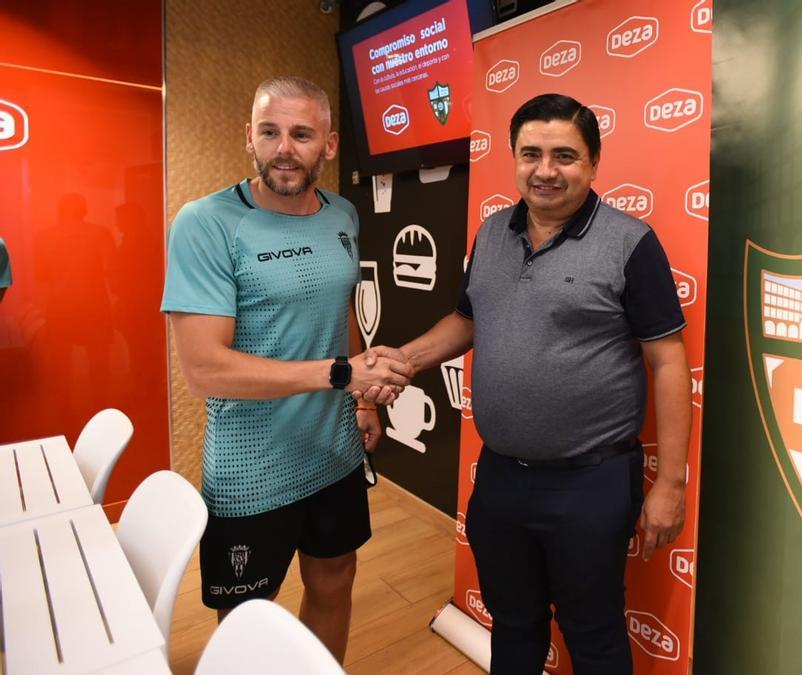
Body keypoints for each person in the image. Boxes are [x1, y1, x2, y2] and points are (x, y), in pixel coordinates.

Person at [389, 93, 691, 674]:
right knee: (515, 623)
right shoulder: (491, 233)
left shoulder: (630, 242)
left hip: (592, 482)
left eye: (564, 156)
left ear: (594, 163)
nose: (545, 170)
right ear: (514, 157)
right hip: (502, 477)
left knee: (594, 632)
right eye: (531, 153)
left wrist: (670, 485)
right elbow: (467, 319)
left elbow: (668, 362)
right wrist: (403, 360)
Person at [161, 76, 411, 662]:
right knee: (248, 618)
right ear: (249, 136)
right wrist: (341, 376)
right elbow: (205, 370)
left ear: (327, 144)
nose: (283, 148)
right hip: (252, 465)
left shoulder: (344, 213)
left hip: (333, 449)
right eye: (269, 132)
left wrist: (363, 401)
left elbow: (340, 308)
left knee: (335, 580)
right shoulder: (206, 223)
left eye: (301, 134)